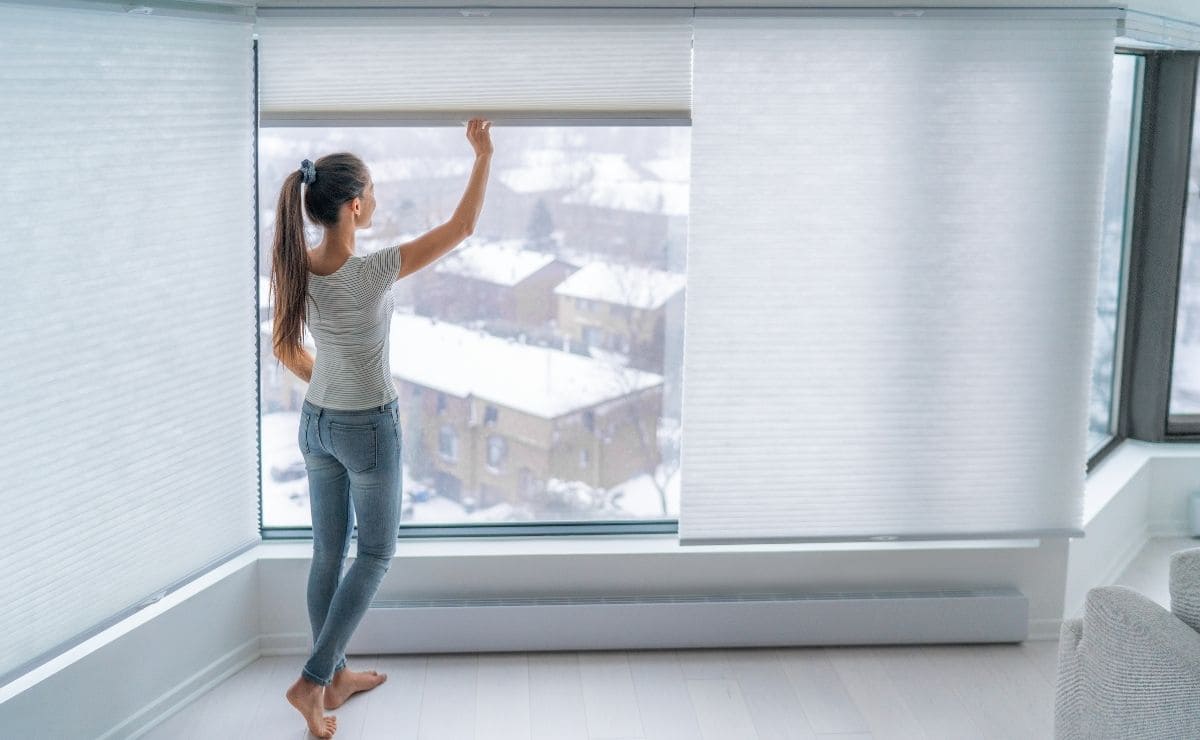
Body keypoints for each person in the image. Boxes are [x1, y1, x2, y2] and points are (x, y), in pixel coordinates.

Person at [271, 118, 493, 738]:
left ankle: (334, 677)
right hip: (367, 428)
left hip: (315, 424)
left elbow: (285, 351)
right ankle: (314, 681)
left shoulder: (296, 268)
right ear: (355, 206)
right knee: (374, 553)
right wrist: (483, 154)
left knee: (326, 552)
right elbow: (463, 228)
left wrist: (331, 380)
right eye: (373, 192)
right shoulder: (370, 272)